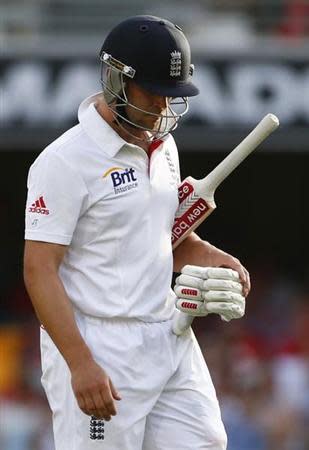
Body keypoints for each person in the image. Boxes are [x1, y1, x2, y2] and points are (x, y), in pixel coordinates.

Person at [24, 15, 250, 450]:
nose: (164, 107)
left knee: (206, 443)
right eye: (154, 92)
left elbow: (161, 238)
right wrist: (80, 363)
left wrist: (212, 256)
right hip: (98, 342)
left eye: (173, 94)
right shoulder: (65, 161)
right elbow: (39, 269)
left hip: (167, 331)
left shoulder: (165, 147)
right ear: (116, 80)